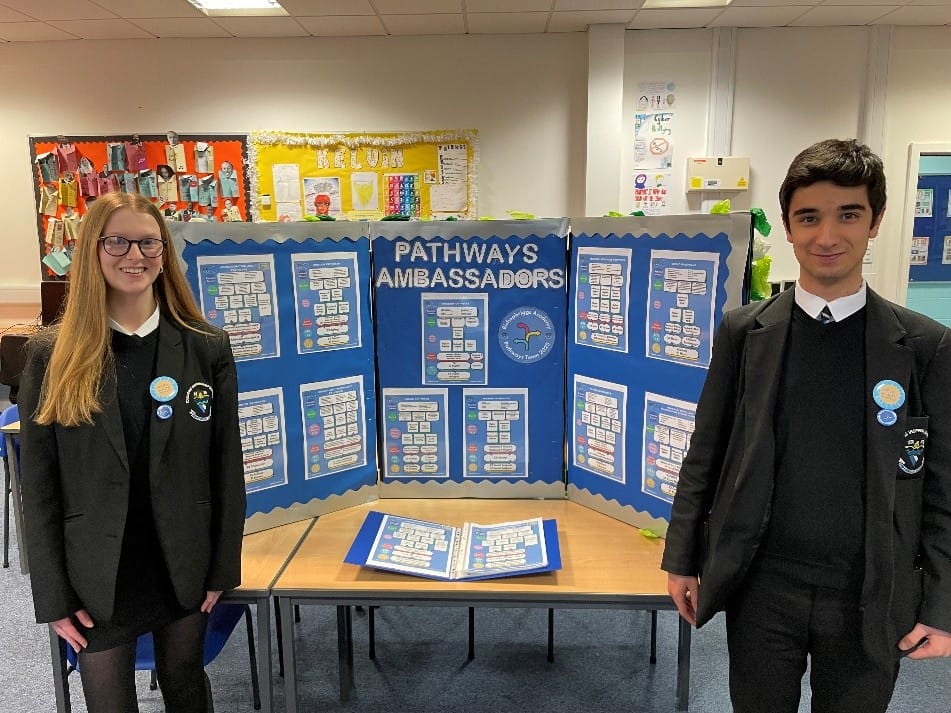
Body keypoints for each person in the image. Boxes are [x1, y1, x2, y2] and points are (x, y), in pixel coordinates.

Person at [662, 138, 951, 713]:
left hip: (870, 588)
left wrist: (942, 604)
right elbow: (706, 453)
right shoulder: (745, 333)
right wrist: (681, 556)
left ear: (876, 221)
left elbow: (943, 486)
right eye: (809, 217)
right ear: (789, 227)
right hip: (764, 584)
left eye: (849, 215)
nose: (827, 236)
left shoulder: (925, 345)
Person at [19, 192, 246, 713]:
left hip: (182, 559)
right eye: (117, 242)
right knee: (109, 703)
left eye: (148, 243)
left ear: (164, 251)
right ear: (92, 251)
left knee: (185, 685)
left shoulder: (205, 346)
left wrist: (221, 568)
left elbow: (226, 468)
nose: (134, 255)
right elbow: (41, 485)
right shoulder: (52, 356)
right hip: (98, 570)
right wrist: (53, 596)